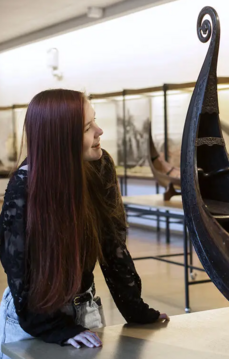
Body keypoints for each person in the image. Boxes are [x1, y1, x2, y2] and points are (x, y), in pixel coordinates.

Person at [0, 89, 168, 353]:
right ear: (61, 137)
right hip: (33, 318)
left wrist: (135, 309)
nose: (100, 131)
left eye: (95, 121)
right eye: (88, 127)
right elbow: (19, 270)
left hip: (85, 307)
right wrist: (52, 327)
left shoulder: (101, 166)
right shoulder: (24, 186)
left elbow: (112, 243)